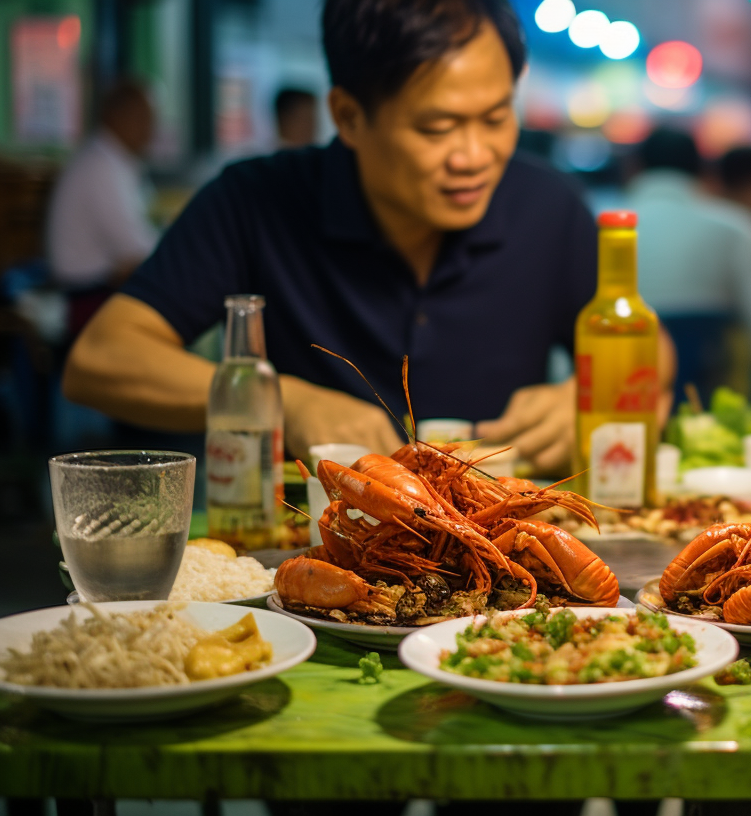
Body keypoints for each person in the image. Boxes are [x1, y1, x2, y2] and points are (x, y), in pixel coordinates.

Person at [63, 0, 671, 471]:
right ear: (349, 117)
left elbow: (656, 354)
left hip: (501, 548)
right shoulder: (258, 199)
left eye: (495, 118)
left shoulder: (549, 205)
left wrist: (589, 396)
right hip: (312, 552)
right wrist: (285, 402)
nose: (475, 156)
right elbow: (103, 359)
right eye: (437, 128)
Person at [626, 128, 751, 402]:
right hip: (708, 396)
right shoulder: (737, 227)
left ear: (635, 168)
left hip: (622, 387)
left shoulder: (602, 226)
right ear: (702, 170)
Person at [44, 78, 159, 329]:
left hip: (98, 290)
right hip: (90, 299)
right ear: (116, 117)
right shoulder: (101, 167)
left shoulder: (113, 160)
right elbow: (134, 248)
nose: (151, 130)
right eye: (143, 118)